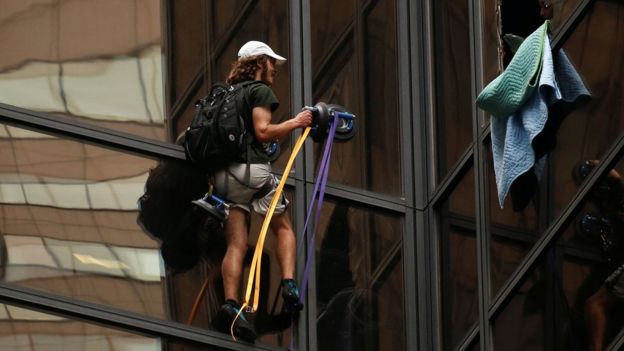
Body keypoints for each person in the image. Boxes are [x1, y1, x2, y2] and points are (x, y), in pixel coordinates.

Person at [211, 41, 312, 342]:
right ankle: (290, 283)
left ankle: (230, 303)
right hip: (253, 171)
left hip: (223, 179)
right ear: (258, 63)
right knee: (282, 227)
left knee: (236, 244)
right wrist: (297, 122)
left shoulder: (225, 96)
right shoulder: (259, 92)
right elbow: (264, 131)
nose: (275, 70)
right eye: (271, 63)